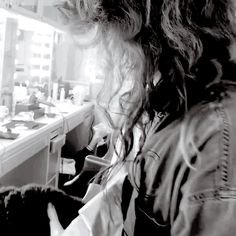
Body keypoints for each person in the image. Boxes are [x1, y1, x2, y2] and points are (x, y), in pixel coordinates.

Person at [2, 0, 236, 235]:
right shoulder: (170, 104)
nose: (117, 58)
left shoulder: (216, 138)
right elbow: (134, 196)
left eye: (113, 37)